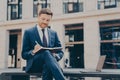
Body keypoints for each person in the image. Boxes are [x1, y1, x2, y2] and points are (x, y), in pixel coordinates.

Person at [21, 8, 65, 80]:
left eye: (48, 20)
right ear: (38, 17)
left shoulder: (53, 33)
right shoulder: (28, 32)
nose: (45, 22)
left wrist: (56, 56)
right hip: (35, 65)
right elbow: (24, 54)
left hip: (50, 64)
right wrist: (33, 51)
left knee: (47, 65)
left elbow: (60, 51)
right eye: (43, 19)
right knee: (46, 53)